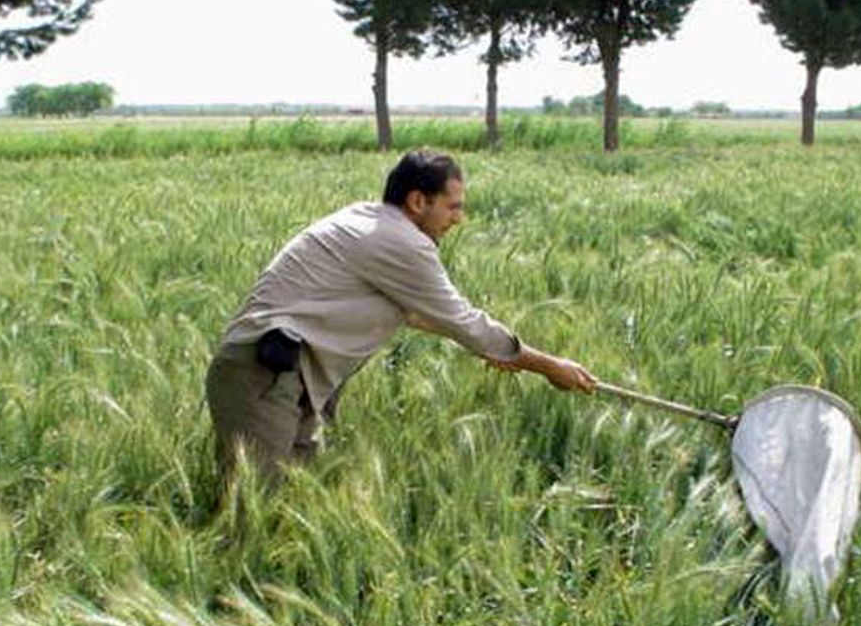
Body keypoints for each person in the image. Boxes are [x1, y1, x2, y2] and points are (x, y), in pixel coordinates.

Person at [205, 150, 596, 488]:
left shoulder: (367, 220)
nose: (459, 218)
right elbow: (463, 321)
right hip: (264, 375)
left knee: (288, 506)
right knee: (254, 512)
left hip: (285, 378)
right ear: (417, 201)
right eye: (453, 205)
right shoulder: (401, 242)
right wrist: (547, 367)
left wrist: (497, 352)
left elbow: (416, 313)